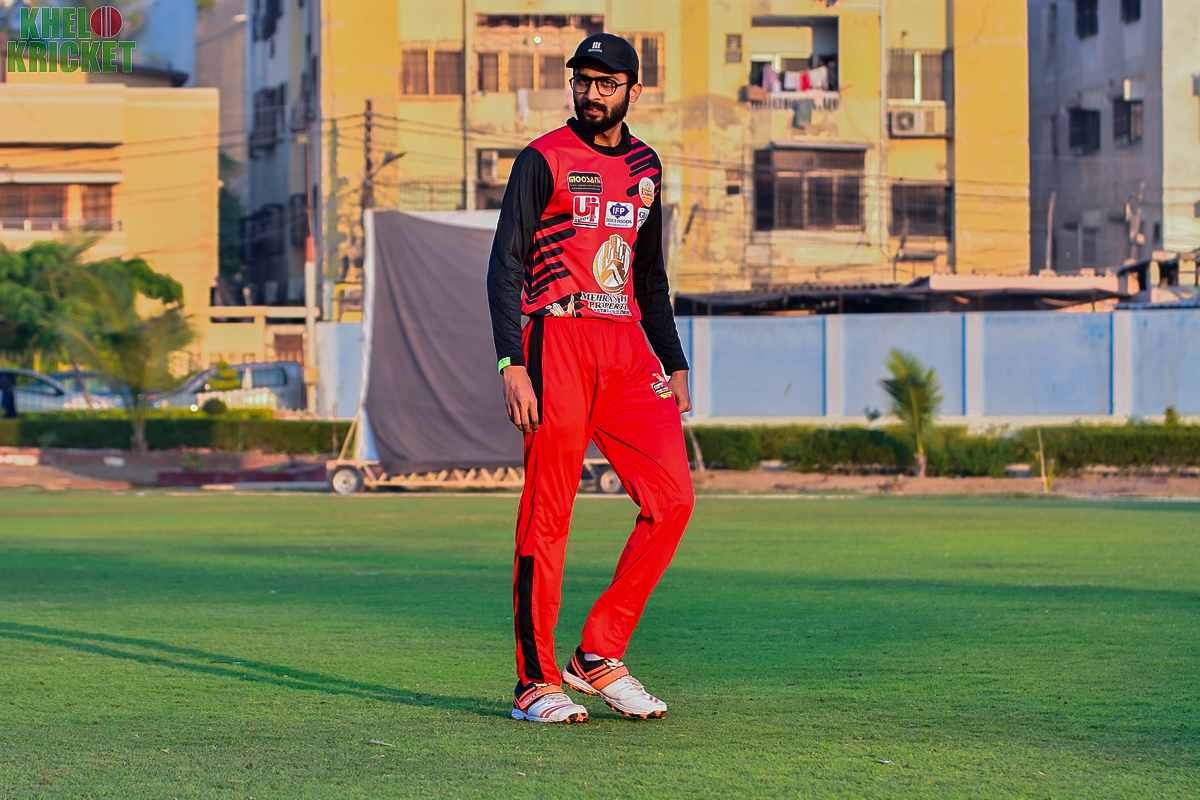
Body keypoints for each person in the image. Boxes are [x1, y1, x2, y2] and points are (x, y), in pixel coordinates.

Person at [487, 33, 695, 724]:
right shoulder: (543, 158)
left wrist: (674, 361)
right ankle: (535, 682)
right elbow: (504, 266)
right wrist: (512, 363)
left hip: (630, 349)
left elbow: (650, 275)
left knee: (673, 499)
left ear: (633, 89)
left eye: (607, 83)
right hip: (559, 340)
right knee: (548, 515)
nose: (592, 93)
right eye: (583, 81)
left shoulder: (646, 165)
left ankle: (599, 653)